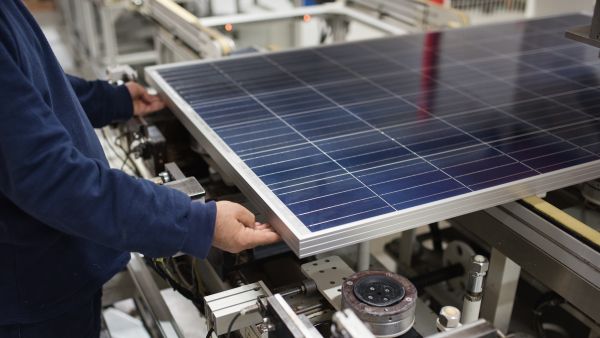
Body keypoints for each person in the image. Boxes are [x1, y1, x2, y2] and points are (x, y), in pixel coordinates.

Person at [0, 1, 280, 337]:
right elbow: (53, 178)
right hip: (31, 292)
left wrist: (108, 100)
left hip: (52, 264)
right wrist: (198, 222)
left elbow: (30, 86)